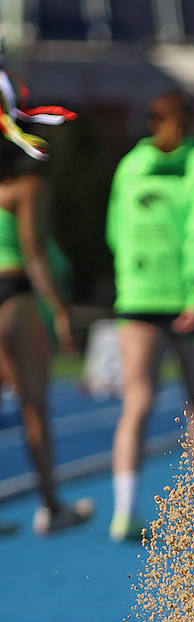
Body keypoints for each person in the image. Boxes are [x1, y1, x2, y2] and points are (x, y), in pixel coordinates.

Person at [106, 91, 194, 541]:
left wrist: (133, 283)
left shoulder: (128, 165)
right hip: (189, 298)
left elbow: (115, 232)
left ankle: (123, 511)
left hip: (138, 297)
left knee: (136, 403)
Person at [0, 133, 92, 534]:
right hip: (13, 297)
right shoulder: (26, 187)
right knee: (33, 405)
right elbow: (33, 248)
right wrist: (59, 309)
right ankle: (51, 506)